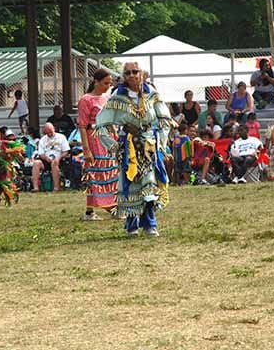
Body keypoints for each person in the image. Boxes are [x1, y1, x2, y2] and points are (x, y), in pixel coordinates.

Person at [95, 61, 172, 237]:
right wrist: (113, 145)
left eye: (134, 72)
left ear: (141, 74)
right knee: (130, 184)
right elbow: (101, 122)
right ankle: (132, 225)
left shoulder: (151, 93)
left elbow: (164, 119)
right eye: (127, 73)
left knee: (149, 182)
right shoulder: (117, 96)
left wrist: (161, 142)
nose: (131, 75)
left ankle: (150, 224)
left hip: (149, 144)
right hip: (128, 144)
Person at [77, 68, 119, 220]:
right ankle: (110, 208)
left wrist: (115, 138)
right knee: (97, 174)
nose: (108, 86)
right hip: (93, 139)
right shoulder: (86, 100)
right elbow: (82, 126)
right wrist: (86, 150)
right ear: (96, 81)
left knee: (110, 172)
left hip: (106, 140)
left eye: (110, 83)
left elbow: (110, 120)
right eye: (105, 83)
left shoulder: (106, 98)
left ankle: (91, 211)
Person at [31, 122, 70, 192]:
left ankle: (56, 188)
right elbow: (41, 153)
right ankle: (36, 187)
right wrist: (46, 158)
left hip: (59, 159)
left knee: (54, 163)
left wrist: (59, 158)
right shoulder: (43, 140)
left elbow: (66, 151)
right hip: (46, 160)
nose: (49, 134)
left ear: (54, 129)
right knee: (36, 163)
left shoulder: (61, 137)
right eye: (47, 133)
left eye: (50, 132)